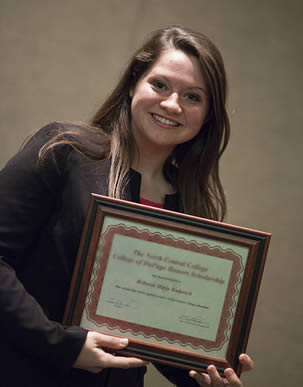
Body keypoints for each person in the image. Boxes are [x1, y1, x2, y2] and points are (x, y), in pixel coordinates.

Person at [0, 25, 254, 387]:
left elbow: (156, 332)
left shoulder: (191, 209)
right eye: (160, 85)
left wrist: (207, 370)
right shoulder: (64, 151)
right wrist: (61, 344)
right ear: (135, 82)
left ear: (208, 115)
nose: (171, 104)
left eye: (193, 97)